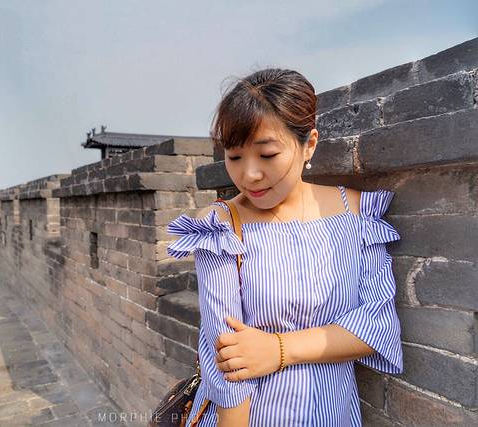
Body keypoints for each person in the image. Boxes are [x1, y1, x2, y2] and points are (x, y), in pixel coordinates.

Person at [166, 68, 402, 426]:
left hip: (333, 412)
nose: (249, 175)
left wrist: (277, 350)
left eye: (267, 154)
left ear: (309, 144)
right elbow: (226, 365)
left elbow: (378, 326)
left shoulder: (357, 213)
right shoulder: (220, 225)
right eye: (234, 157)